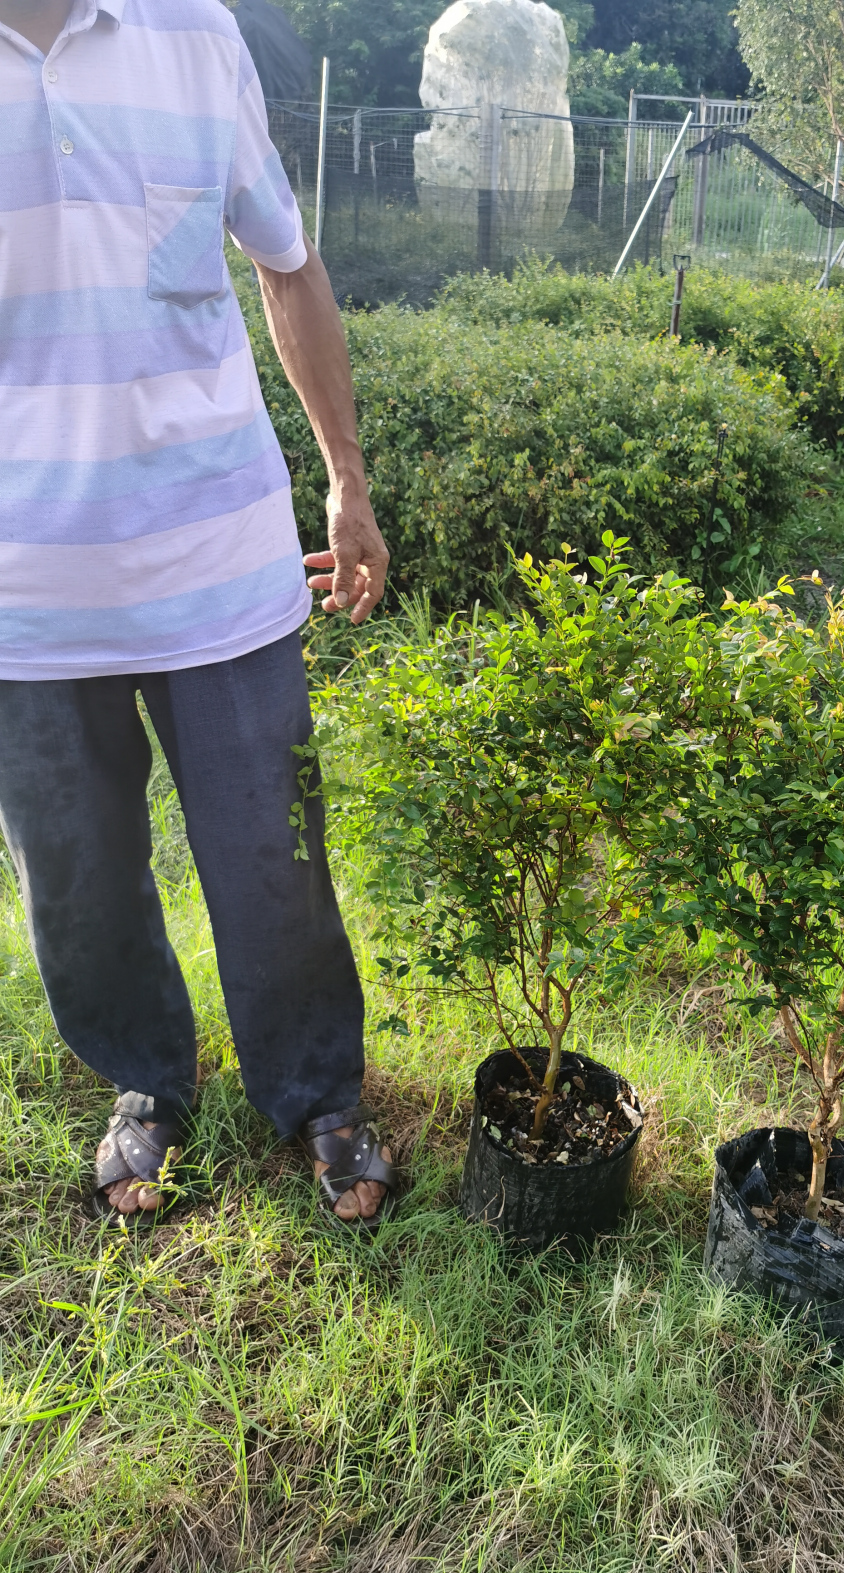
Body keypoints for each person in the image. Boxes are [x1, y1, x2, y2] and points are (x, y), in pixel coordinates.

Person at [0, 0, 397, 1227]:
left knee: (275, 857)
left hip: (219, 556)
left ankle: (317, 1091)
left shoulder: (195, 30)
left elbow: (287, 261)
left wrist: (345, 479)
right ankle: (145, 1080)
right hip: (24, 586)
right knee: (78, 879)